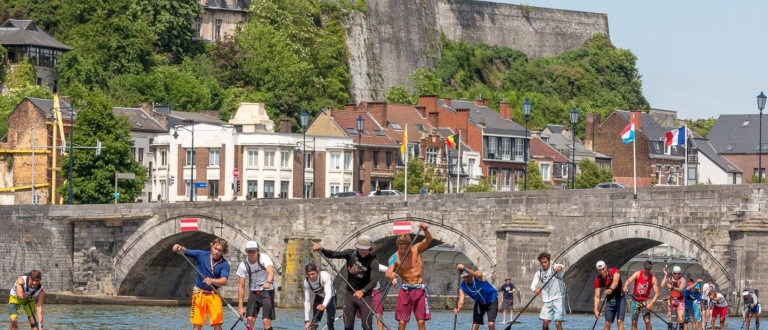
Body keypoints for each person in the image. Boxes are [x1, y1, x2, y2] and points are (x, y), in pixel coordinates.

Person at [314, 235, 381, 330]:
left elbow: (374, 281)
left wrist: (363, 291)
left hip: (365, 296)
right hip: (349, 296)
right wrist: (322, 249)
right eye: (360, 249)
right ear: (357, 247)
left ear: (370, 248)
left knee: (367, 325)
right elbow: (333, 254)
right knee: (348, 326)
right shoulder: (350, 254)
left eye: (365, 249)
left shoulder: (373, 262)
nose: (362, 251)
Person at [172, 238, 230, 330]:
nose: (216, 252)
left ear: (223, 251)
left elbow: (224, 280)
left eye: (220, 250)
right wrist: (178, 247)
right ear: (212, 247)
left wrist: (213, 281)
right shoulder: (201, 254)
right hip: (199, 294)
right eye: (215, 248)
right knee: (197, 325)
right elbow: (185, 251)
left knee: (217, 324)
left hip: (214, 295)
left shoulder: (225, 264)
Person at [386, 223, 432, 330]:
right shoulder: (393, 257)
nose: (402, 251)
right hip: (405, 291)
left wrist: (425, 230)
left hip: (419, 290)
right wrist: (391, 275)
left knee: (420, 322)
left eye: (405, 248)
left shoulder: (416, 249)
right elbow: (388, 273)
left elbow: (428, 240)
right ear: (397, 245)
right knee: (402, 322)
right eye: (400, 248)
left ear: (410, 246)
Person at [236, 241, 276, 330]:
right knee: (249, 320)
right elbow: (241, 286)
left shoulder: (264, 258)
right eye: (249, 251)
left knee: (266, 321)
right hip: (254, 292)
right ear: (246, 252)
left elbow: (270, 272)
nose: (251, 253)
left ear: (257, 251)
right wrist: (240, 308)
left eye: (253, 251)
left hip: (267, 291)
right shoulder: (243, 265)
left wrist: (268, 282)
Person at [453, 264, 499, 330]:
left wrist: (464, 268)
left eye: (468, 276)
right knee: (475, 325)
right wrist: (458, 309)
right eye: (464, 277)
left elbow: (476, 274)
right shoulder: (462, 287)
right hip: (480, 303)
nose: (466, 279)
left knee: (490, 324)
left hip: (492, 301)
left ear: (470, 274)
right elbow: (461, 301)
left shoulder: (478, 276)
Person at [530, 252, 566, 330]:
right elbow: (532, 285)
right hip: (547, 300)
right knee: (545, 321)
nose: (544, 264)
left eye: (545, 262)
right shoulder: (539, 273)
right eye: (542, 262)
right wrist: (535, 290)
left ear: (549, 261)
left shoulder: (554, 268)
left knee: (557, 322)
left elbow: (561, 266)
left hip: (558, 298)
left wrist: (560, 267)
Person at [622, 260, 659, 330]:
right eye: (645, 269)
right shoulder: (638, 274)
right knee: (634, 321)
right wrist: (625, 286)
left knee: (647, 321)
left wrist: (650, 304)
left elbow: (657, 294)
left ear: (650, 269)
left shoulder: (653, 279)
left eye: (648, 269)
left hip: (645, 300)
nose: (646, 271)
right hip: (636, 300)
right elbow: (628, 280)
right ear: (643, 267)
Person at [303, 263, 337, 330]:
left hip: (331, 297)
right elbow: (307, 301)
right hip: (319, 298)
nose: (311, 276)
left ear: (317, 272)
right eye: (308, 275)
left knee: (330, 321)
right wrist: (306, 320)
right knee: (313, 323)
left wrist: (323, 305)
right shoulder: (306, 282)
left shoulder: (324, 276)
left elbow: (328, 294)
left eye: (313, 274)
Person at [593, 261, 625, 330]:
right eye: (600, 270)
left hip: (620, 299)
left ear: (606, 267)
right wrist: (596, 310)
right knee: (607, 323)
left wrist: (610, 289)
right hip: (610, 300)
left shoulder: (614, 271)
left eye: (603, 269)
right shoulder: (598, 280)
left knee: (619, 321)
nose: (602, 272)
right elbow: (597, 296)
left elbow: (615, 281)